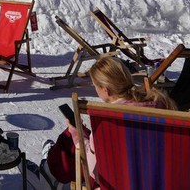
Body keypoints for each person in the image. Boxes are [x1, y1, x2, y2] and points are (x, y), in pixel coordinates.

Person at [26, 54, 175, 189]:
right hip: (159, 179)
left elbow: (93, 169)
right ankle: (49, 167)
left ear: (106, 90)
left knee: (71, 139)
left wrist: (78, 136)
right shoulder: (160, 107)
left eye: (95, 86)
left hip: (119, 183)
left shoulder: (107, 121)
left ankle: (48, 170)